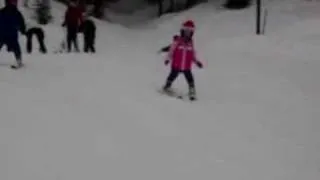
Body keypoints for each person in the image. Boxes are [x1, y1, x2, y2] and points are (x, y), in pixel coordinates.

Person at [162, 20, 203, 100]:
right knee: (172, 75)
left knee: (190, 78)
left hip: (186, 66)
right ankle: (167, 86)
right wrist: (167, 59)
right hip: (176, 65)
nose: (187, 33)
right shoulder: (177, 41)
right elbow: (171, 51)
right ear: (183, 31)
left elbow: (193, 54)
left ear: (192, 33)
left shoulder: (191, 43)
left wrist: (197, 62)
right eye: (186, 31)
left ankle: (192, 91)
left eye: (190, 31)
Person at [0, 0, 26, 68]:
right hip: (1, 34)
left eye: (15, 2)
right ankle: (18, 60)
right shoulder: (2, 12)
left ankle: (18, 60)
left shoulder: (17, 13)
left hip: (12, 35)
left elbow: (22, 23)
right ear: (8, 2)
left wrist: (23, 29)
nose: (14, 3)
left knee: (16, 48)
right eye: (13, 2)